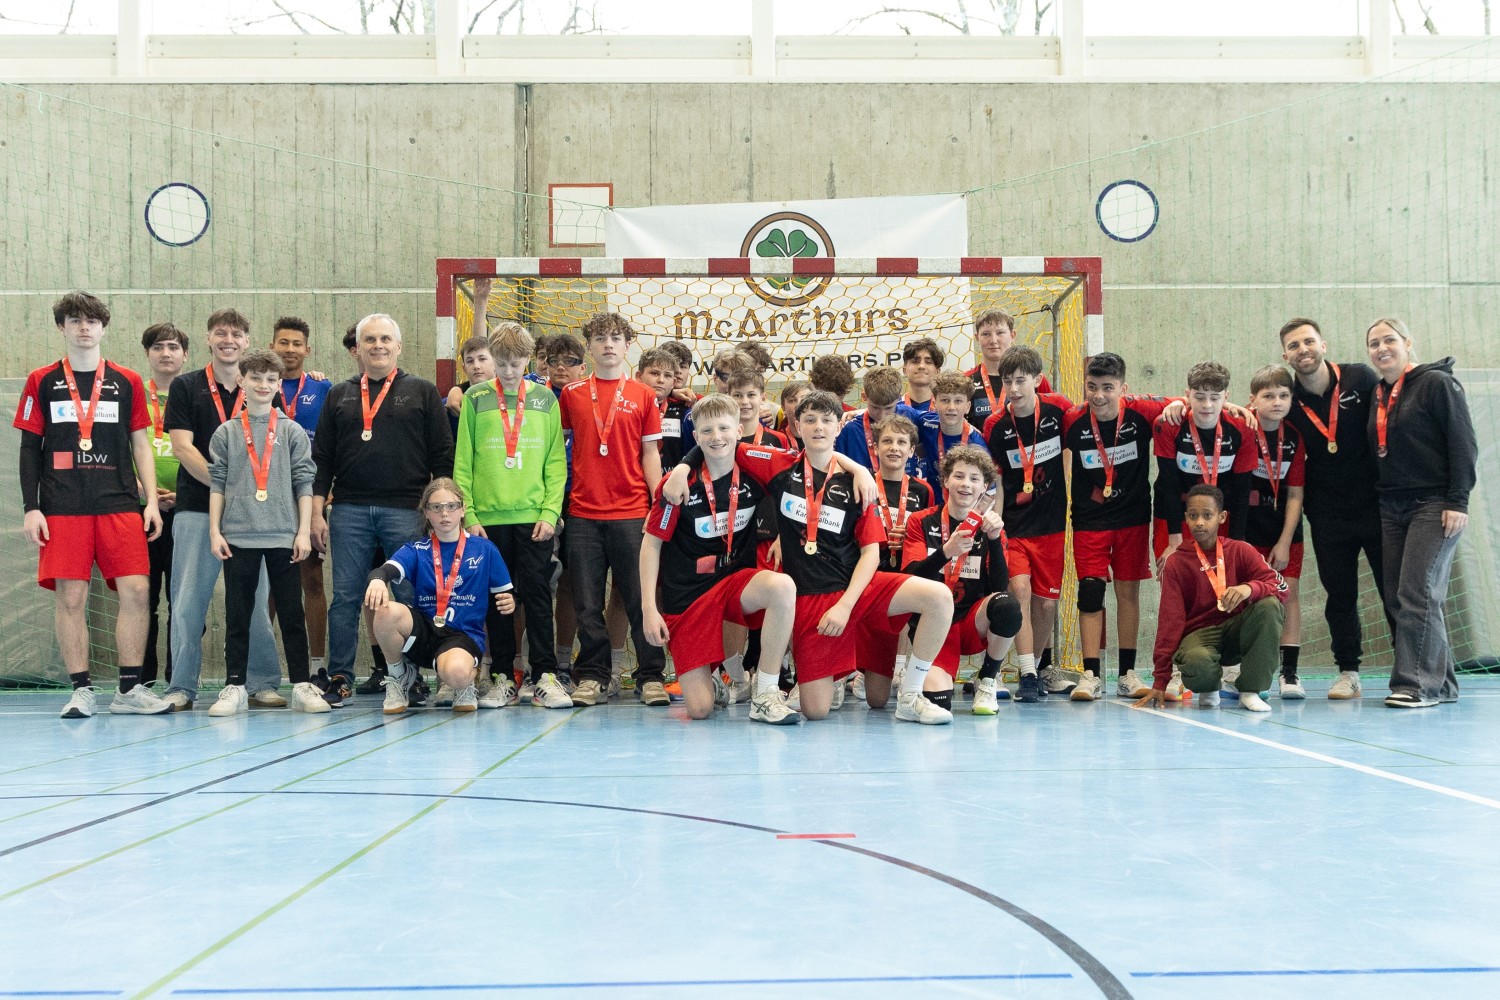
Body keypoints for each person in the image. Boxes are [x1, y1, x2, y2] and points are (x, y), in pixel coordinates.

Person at [666, 391, 954, 724]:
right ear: (797, 426)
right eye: (810, 420)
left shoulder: (858, 483)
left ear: (838, 427)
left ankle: (911, 695)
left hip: (856, 590)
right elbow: (719, 443)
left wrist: (846, 605)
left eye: (827, 420)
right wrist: (681, 468)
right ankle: (796, 684)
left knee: (938, 597)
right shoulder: (777, 464)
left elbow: (870, 554)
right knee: (816, 711)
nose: (818, 427)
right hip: (811, 598)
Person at [15, 291, 170, 718]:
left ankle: (129, 690)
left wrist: (150, 501)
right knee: (71, 597)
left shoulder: (127, 380)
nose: (84, 328)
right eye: (75, 321)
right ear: (61, 327)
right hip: (63, 506)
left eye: (92, 321)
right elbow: (29, 449)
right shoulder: (41, 380)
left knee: (137, 592)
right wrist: (31, 507)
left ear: (103, 328)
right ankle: (81, 690)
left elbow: (140, 443)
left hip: (120, 503)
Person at [311, 313, 453, 706]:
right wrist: (317, 512)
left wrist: (439, 512)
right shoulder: (338, 395)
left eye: (385, 339)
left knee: (408, 595)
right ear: (357, 348)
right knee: (345, 597)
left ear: (399, 346)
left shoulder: (423, 392)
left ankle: (412, 676)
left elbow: (443, 457)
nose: (378, 346)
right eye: (370, 339)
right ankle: (340, 676)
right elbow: (322, 459)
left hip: (406, 511)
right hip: (349, 511)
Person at [640, 393, 802, 724]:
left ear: (739, 430)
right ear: (696, 437)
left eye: (724, 428)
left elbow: (809, 460)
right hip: (688, 597)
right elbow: (651, 546)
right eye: (707, 431)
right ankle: (712, 681)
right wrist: (648, 609)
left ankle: (765, 693)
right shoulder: (678, 485)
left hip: (732, 583)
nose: (717, 437)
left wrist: (857, 470)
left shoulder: (754, 469)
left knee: (783, 586)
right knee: (700, 710)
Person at [163, 308, 285, 711]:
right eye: (220, 333)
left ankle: (262, 682)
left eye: (236, 334)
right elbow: (182, 448)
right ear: (208, 339)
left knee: (254, 602)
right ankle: (181, 686)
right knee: (187, 602)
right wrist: (229, 490)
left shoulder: (262, 387)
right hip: (197, 509)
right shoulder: (186, 386)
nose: (228, 340)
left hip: (253, 518)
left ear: (247, 342)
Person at [453, 322, 569, 709]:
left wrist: (550, 512)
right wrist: (469, 514)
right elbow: (463, 462)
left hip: (534, 516)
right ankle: (503, 676)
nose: (507, 371)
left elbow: (555, 461)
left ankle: (545, 675)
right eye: (500, 363)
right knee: (498, 599)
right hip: (487, 521)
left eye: (515, 363)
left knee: (537, 596)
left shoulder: (545, 399)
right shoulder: (475, 398)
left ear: (528, 360)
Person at [1365, 318, 1478, 708]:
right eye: (1374, 343)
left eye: (1389, 340)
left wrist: (1458, 501)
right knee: (1399, 598)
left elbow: (1463, 443)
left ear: (1408, 343)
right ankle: (1442, 684)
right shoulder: (1379, 392)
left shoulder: (1437, 384)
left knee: (1418, 592)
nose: (1382, 348)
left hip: (1433, 505)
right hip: (1390, 507)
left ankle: (1415, 685)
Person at [557, 313, 668, 707]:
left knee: (640, 600)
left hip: (632, 512)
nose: (608, 344)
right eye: (600, 338)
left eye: (616, 338)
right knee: (587, 603)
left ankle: (651, 676)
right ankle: (593, 676)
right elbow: (559, 454)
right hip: (583, 514)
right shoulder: (571, 394)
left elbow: (650, 454)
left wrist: (658, 503)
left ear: (627, 345)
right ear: (589, 346)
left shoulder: (643, 395)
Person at [206, 350, 323, 715]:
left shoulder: (290, 431)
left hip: (283, 536)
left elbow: (304, 483)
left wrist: (302, 532)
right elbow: (217, 484)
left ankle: (302, 684)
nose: (263, 385)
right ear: (241, 380)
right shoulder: (227, 432)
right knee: (238, 614)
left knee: (291, 614)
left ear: (278, 385)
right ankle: (235, 685)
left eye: (271, 379)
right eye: (255, 378)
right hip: (238, 537)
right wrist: (215, 531)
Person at [1282, 318, 1390, 700]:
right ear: (1286, 356)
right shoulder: (1289, 400)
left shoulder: (1360, 377)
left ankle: (1412, 670)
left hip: (1376, 508)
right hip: (1327, 515)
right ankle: (1348, 672)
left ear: (1323, 345)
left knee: (1393, 591)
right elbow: (1255, 410)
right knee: (1340, 597)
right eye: (1294, 346)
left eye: (1308, 341)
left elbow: (1395, 402)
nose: (1303, 350)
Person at [1058, 353, 1168, 701]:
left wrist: (1232, 408)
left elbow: (1189, 404)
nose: (1099, 395)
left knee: (1128, 593)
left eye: (1108, 387)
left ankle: (1126, 674)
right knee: (1090, 592)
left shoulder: (1142, 412)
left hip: (1132, 518)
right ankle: (1090, 674)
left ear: (1123, 388)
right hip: (1089, 520)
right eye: (1092, 387)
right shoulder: (1072, 420)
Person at [366, 479, 515, 714]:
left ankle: (464, 683)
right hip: (425, 631)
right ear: (426, 512)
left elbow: (505, 595)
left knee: (457, 674)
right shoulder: (418, 549)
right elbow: (385, 570)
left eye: (451, 506)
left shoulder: (484, 549)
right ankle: (398, 676)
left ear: (463, 509)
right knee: (385, 610)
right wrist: (377, 580)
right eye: (436, 507)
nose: (444, 514)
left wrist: (509, 601)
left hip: (461, 635)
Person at [1138, 485, 1287, 713]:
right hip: (1200, 636)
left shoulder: (1240, 550)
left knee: (1269, 606)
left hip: (1237, 631)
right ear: (1186, 518)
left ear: (1222, 517)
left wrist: (1249, 588)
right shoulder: (1176, 563)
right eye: (1193, 516)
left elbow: (1281, 587)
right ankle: (1209, 688)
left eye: (1207, 515)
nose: (1200, 522)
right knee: (1196, 661)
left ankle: (1250, 690)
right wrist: (1160, 680)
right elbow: (1170, 622)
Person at [982, 346, 1074, 702]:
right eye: (1008, 381)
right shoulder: (995, 425)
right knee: (1018, 590)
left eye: (1021, 380)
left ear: (1037, 380)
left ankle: (1034, 668)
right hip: (1015, 527)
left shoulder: (1059, 409)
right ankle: (1028, 673)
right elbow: (997, 481)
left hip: (1051, 525)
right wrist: (996, 526)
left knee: (1046, 605)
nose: (1014, 389)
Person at [902, 446, 1023, 714]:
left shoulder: (991, 528)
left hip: (971, 623)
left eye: (974, 478)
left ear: (984, 487)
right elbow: (909, 578)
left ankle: (987, 680)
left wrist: (994, 540)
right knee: (937, 703)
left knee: (1008, 605)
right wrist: (946, 551)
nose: (966, 484)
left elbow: (998, 589)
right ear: (946, 480)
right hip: (932, 626)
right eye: (959, 476)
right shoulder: (921, 521)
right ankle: (923, 675)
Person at [270, 316, 332, 682]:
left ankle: (317, 665)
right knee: (269, 585)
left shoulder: (324, 389)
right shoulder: (258, 385)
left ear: (307, 350)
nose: (290, 349)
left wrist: (326, 493)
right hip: (267, 498)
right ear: (272, 346)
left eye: (297, 343)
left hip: (309, 496)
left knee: (312, 580)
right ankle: (260, 667)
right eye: (284, 342)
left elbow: (334, 444)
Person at [854, 415, 935, 694]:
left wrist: (910, 537)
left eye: (902, 442)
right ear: (875, 447)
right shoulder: (862, 483)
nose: (894, 448)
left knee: (902, 612)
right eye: (887, 441)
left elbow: (928, 531)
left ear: (912, 451)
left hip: (904, 567)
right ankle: (849, 671)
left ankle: (899, 666)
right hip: (865, 567)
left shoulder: (922, 490)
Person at [1242, 365, 1308, 699]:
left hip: (1283, 531)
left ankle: (1289, 672)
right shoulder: (1239, 427)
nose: (1277, 402)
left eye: (1284, 395)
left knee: (1288, 594)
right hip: (1245, 531)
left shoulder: (1294, 437)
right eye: (1268, 396)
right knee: (1246, 596)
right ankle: (1241, 668)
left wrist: (1284, 542)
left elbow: (1295, 495)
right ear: (1252, 399)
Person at [139, 321, 188, 687]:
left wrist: (185, 494)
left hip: (187, 510)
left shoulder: (195, 394)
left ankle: (178, 678)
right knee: (142, 596)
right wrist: (143, 491)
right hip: (141, 510)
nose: (166, 353)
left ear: (185, 355)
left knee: (182, 600)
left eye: (173, 347)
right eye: (158, 347)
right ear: (148, 354)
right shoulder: (134, 395)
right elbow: (120, 450)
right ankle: (142, 679)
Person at [965, 310, 1052, 431]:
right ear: (976, 338)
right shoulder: (965, 381)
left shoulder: (1033, 378)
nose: (993, 340)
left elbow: (1051, 415)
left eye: (1000, 333)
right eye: (986, 334)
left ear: (1012, 335)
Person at [834, 366, 923, 476]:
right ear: (864, 397)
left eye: (888, 408)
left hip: (906, 485)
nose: (882, 416)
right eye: (875, 408)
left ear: (898, 398)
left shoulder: (910, 415)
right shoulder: (850, 429)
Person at [915, 371, 987, 504]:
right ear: (934, 403)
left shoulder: (977, 444)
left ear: (967, 407)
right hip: (932, 509)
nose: (951, 407)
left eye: (958, 401)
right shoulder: (925, 423)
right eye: (945, 400)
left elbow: (988, 491)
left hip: (964, 509)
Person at [900, 337, 944, 412]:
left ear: (937, 372)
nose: (921, 366)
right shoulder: (892, 408)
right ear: (905, 369)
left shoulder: (945, 410)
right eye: (915, 361)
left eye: (928, 362)